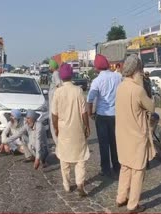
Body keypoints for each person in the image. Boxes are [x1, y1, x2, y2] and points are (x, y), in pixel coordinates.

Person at [115, 54, 155, 213]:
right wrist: (145, 87)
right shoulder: (138, 90)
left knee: (125, 167)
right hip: (136, 136)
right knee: (138, 171)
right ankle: (132, 205)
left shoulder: (121, 87)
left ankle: (121, 197)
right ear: (137, 70)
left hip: (122, 134)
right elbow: (151, 107)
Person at [52, 63, 90, 197]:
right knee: (80, 157)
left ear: (61, 77)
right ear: (72, 75)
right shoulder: (78, 90)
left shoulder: (58, 92)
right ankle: (80, 183)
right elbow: (84, 112)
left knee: (64, 157)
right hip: (78, 128)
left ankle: (67, 185)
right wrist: (87, 126)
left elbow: (54, 114)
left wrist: (56, 128)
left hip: (64, 130)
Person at [87, 54, 122, 176]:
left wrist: (90, 113)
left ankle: (106, 169)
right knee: (115, 142)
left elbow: (90, 100)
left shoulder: (97, 81)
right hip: (115, 114)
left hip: (102, 115)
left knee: (103, 143)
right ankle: (117, 165)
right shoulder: (118, 77)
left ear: (97, 67)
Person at [48, 59, 62, 144]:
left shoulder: (55, 74)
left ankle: (58, 144)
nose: (49, 67)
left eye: (50, 66)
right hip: (53, 102)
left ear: (52, 67)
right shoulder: (55, 74)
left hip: (54, 103)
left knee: (53, 123)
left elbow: (59, 85)